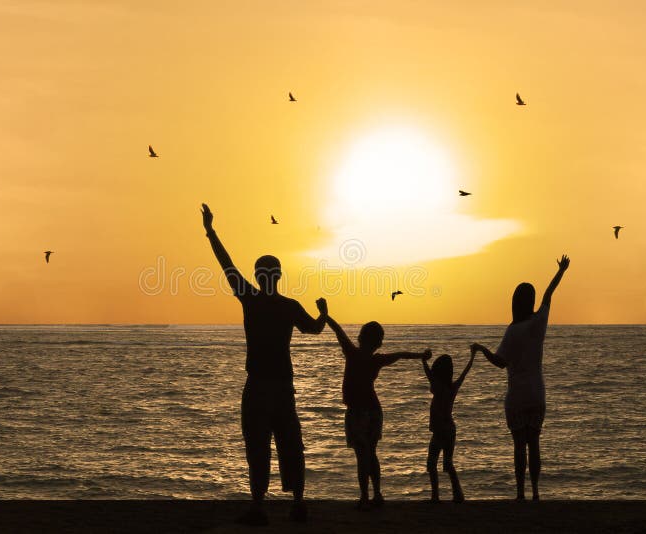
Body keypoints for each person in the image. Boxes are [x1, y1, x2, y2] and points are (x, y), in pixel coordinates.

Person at [201, 203, 328, 525]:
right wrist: (324, 312)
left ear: (259, 276)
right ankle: (296, 503)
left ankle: (260, 506)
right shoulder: (288, 305)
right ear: (279, 276)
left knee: (259, 445)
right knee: (290, 443)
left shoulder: (251, 298)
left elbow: (226, 264)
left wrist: (211, 230)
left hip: (260, 385)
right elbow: (314, 328)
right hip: (281, 386)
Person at [471, 254, 570, 501]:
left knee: (519, 447)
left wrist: (482, 349)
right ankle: (536, 493)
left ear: (515, 303)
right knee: (534, 445)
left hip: (516, 397)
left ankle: (520, 494)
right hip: (536, 394)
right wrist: (561, 271)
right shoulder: (539, 323)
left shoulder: (513, 330)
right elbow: (549, 294)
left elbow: (499, 363)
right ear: (531, 302)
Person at [325, 315, 430, 509]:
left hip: (357, 412)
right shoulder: (377, 360)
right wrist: (421, 356)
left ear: (360, 337)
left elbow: (338, 331)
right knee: (371, 453)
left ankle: (365, 497)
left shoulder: (352, 353)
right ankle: (377, 494)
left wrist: (325, 315)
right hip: (374, 411)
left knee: (361, 455)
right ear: (378, 343)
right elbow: (400, 354)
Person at [421, 349, 475, 503]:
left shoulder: (438, 387)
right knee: (448, 464)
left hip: (440, 430)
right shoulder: (452, 387)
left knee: (431, 464)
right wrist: (471, 356)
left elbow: (427, 373)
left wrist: (423, 359)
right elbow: (465, 372)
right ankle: (458, 494)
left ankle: (435, 496)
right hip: (450, 429)